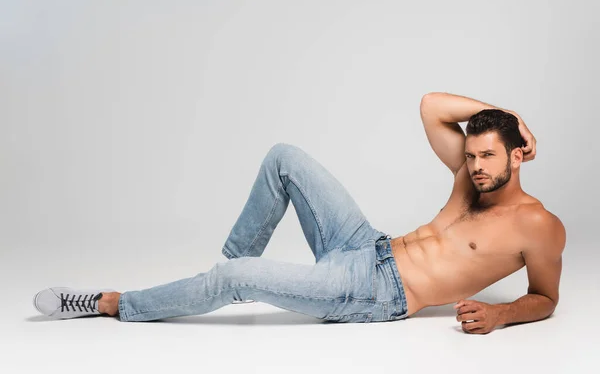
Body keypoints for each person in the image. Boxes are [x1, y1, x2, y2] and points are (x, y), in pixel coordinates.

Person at [33, 92, 566, 334]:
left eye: (488, 156)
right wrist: (514, 116)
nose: (474, 166)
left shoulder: (539, 226)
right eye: (471, 155)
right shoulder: (468, 177)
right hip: (367, 245)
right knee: (284, 157)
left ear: (517, 157)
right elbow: (432, 104)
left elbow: (544, 297)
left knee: (235, 279)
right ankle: (224, 276)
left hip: (377, 293)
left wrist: (499, 314)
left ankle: (111, 303)